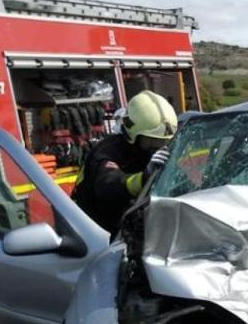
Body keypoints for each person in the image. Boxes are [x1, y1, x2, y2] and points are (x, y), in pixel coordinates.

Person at [73, 90, 177, 234]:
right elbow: (109, 185)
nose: (159, 146)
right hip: (95, 233)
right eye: (152, 139)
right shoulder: (107, 152)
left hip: (135, 229)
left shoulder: (156, 151)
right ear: (133, 133)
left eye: (164, 140)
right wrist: (144, 178)